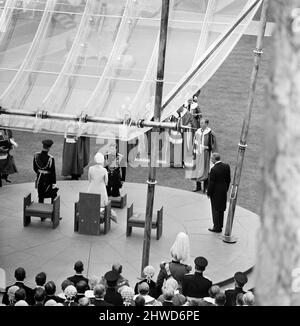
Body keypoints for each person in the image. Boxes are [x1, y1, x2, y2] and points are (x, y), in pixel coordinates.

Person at [190, 118, 217, 193]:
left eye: (202, 123)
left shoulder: (210, 133)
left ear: (206, 124)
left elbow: (214, 145)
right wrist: (193, 152)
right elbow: (194, 142)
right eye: (200, 123)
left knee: (205, 170)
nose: (201, 124)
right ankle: (198, 186)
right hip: (198, 153)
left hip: (206, 154)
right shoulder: (197, 132)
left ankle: (205, 188)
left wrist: (207, 147)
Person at [207, 152, 231, 233]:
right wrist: (225, 189)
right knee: (221, 209)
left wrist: (209, 193)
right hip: (223, 191)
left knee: (215, 209)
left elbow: (211, 183)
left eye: (211, 158)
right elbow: (228, 180)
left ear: (214, 159)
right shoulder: (226, 166)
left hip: (215, 193)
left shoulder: (213, 169)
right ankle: (220, 225)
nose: (211, 159)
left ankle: (216, 227)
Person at [169, 102, 197, 168]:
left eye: (179, 107)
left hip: (184, 134)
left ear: (182, 106)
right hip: (174, 134)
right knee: (173, 147)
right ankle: (172, 162)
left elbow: (194, 125)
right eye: (177, 108)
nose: (178, 109)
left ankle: (180, 162)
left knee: (183, 148)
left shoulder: (188, 114)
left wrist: (188, 126)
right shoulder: (173, 114)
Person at [33, 139, 58, 204]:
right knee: (53, 194)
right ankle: (53, 211)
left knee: (40, 196)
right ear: (49, 148)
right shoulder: (51, 158)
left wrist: (40, 173)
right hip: (48, 180)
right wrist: (54, 183)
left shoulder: (36, 156)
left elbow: (35, 168)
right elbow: (53, 172)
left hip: (39, 179)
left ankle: (40, 211)